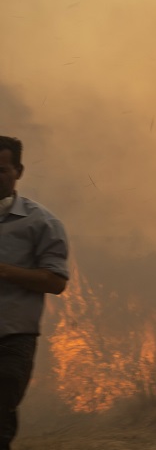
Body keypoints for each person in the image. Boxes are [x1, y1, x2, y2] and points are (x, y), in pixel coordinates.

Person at [0, 136, 69, 450]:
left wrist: (5, 271)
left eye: (1, 170)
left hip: (12, 338)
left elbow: (56, 282)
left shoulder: (40, 222)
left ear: (19, 171)